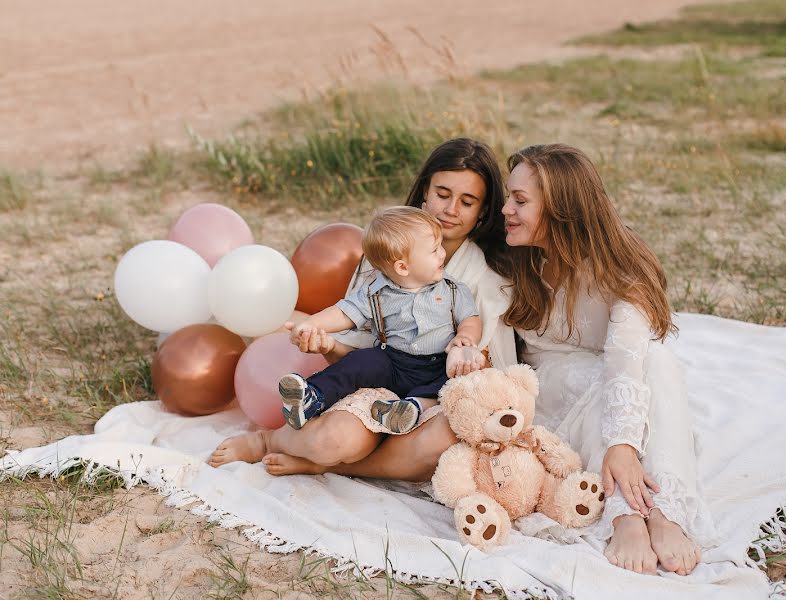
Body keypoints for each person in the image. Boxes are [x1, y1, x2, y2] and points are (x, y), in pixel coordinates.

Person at [208, 138, 515, 482]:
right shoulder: (383, 260)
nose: (451, 209)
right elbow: (353, 326)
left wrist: (464, 350)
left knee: (446, 440)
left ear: (483, 211)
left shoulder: (481, 281)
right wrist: (326, 342)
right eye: (443, 194)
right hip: (381, 381)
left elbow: (484, 362)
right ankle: (269, 440)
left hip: (434, 393)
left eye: (467, 201)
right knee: (334, 439)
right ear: (425, 192)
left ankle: (327, 466)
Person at [501, 144, 717, 576]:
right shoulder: (512, 256)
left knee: (655, 361)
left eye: (521, 201)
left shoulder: (620, 262)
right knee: (608, 379)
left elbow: (625, 354)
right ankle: (625, 516)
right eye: (510, 196)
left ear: (562, 208)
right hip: (551, 390)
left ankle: (662, 511)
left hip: (621, 376)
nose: (506, 209)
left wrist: (622, 444)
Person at [278, 206, 483, 434]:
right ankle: (312, 397)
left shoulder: (453, 290)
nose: (442, 254)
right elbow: (343, 313)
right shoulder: (375, 293)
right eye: (434, 250)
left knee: (451, 385)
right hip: (392, 363)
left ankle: (409, 409)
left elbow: (470, 318)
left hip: (438, 364)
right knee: (358, 363)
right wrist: (311, 325)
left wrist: (465, 337)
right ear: (403, 267)